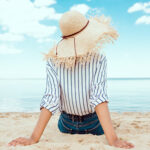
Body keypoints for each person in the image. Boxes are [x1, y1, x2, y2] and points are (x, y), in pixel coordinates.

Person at [8, 10, 134, 149]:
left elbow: (51, 99)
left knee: (64, 119)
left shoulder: (52, 61)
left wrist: (33, 138)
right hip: (94, 124)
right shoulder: (99, 59)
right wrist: (113, 140)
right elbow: (98, 98)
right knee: (102, 120)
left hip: (66, 125)